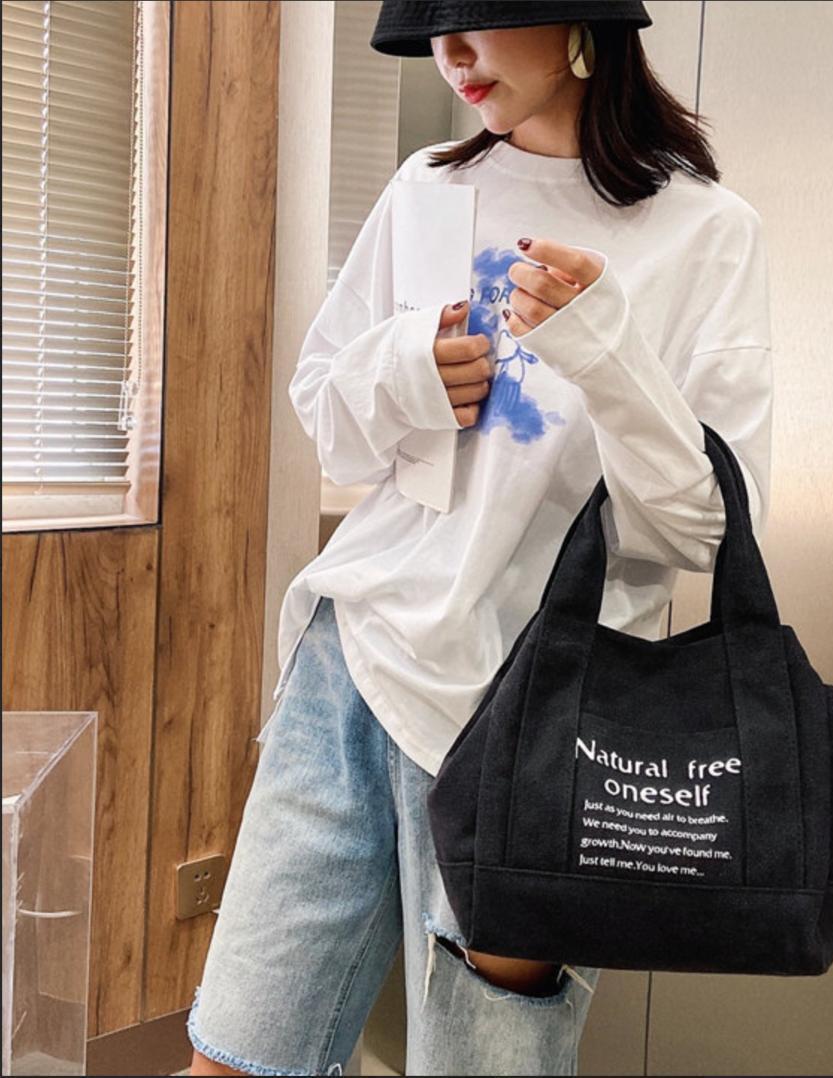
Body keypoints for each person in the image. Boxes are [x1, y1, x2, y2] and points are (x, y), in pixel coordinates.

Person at [187, 1, 773, 1074]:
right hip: (353, 667)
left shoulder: (706, 231)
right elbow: (327, 415)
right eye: (432, 24)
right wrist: (407, 365)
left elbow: (703, 531)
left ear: (581, 18)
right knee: (233, 1054)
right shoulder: (426, 189)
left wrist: (607, 357)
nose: (450, 53)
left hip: (540, 719)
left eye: (478, 14)